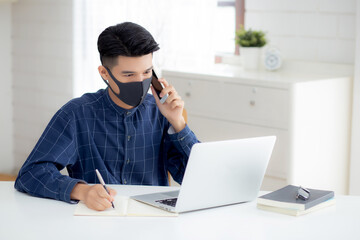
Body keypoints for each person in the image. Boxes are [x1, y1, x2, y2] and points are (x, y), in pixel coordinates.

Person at [14, 22, 199, 211]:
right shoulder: (77, 114)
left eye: (146, 72)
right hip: (96, 220)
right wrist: (82, 191)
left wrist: (178, 123)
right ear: (104, 73)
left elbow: (199, 179)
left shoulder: (161, 115)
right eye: (129, 75)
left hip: (153, 222)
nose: (140, 81)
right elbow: (30, 174)